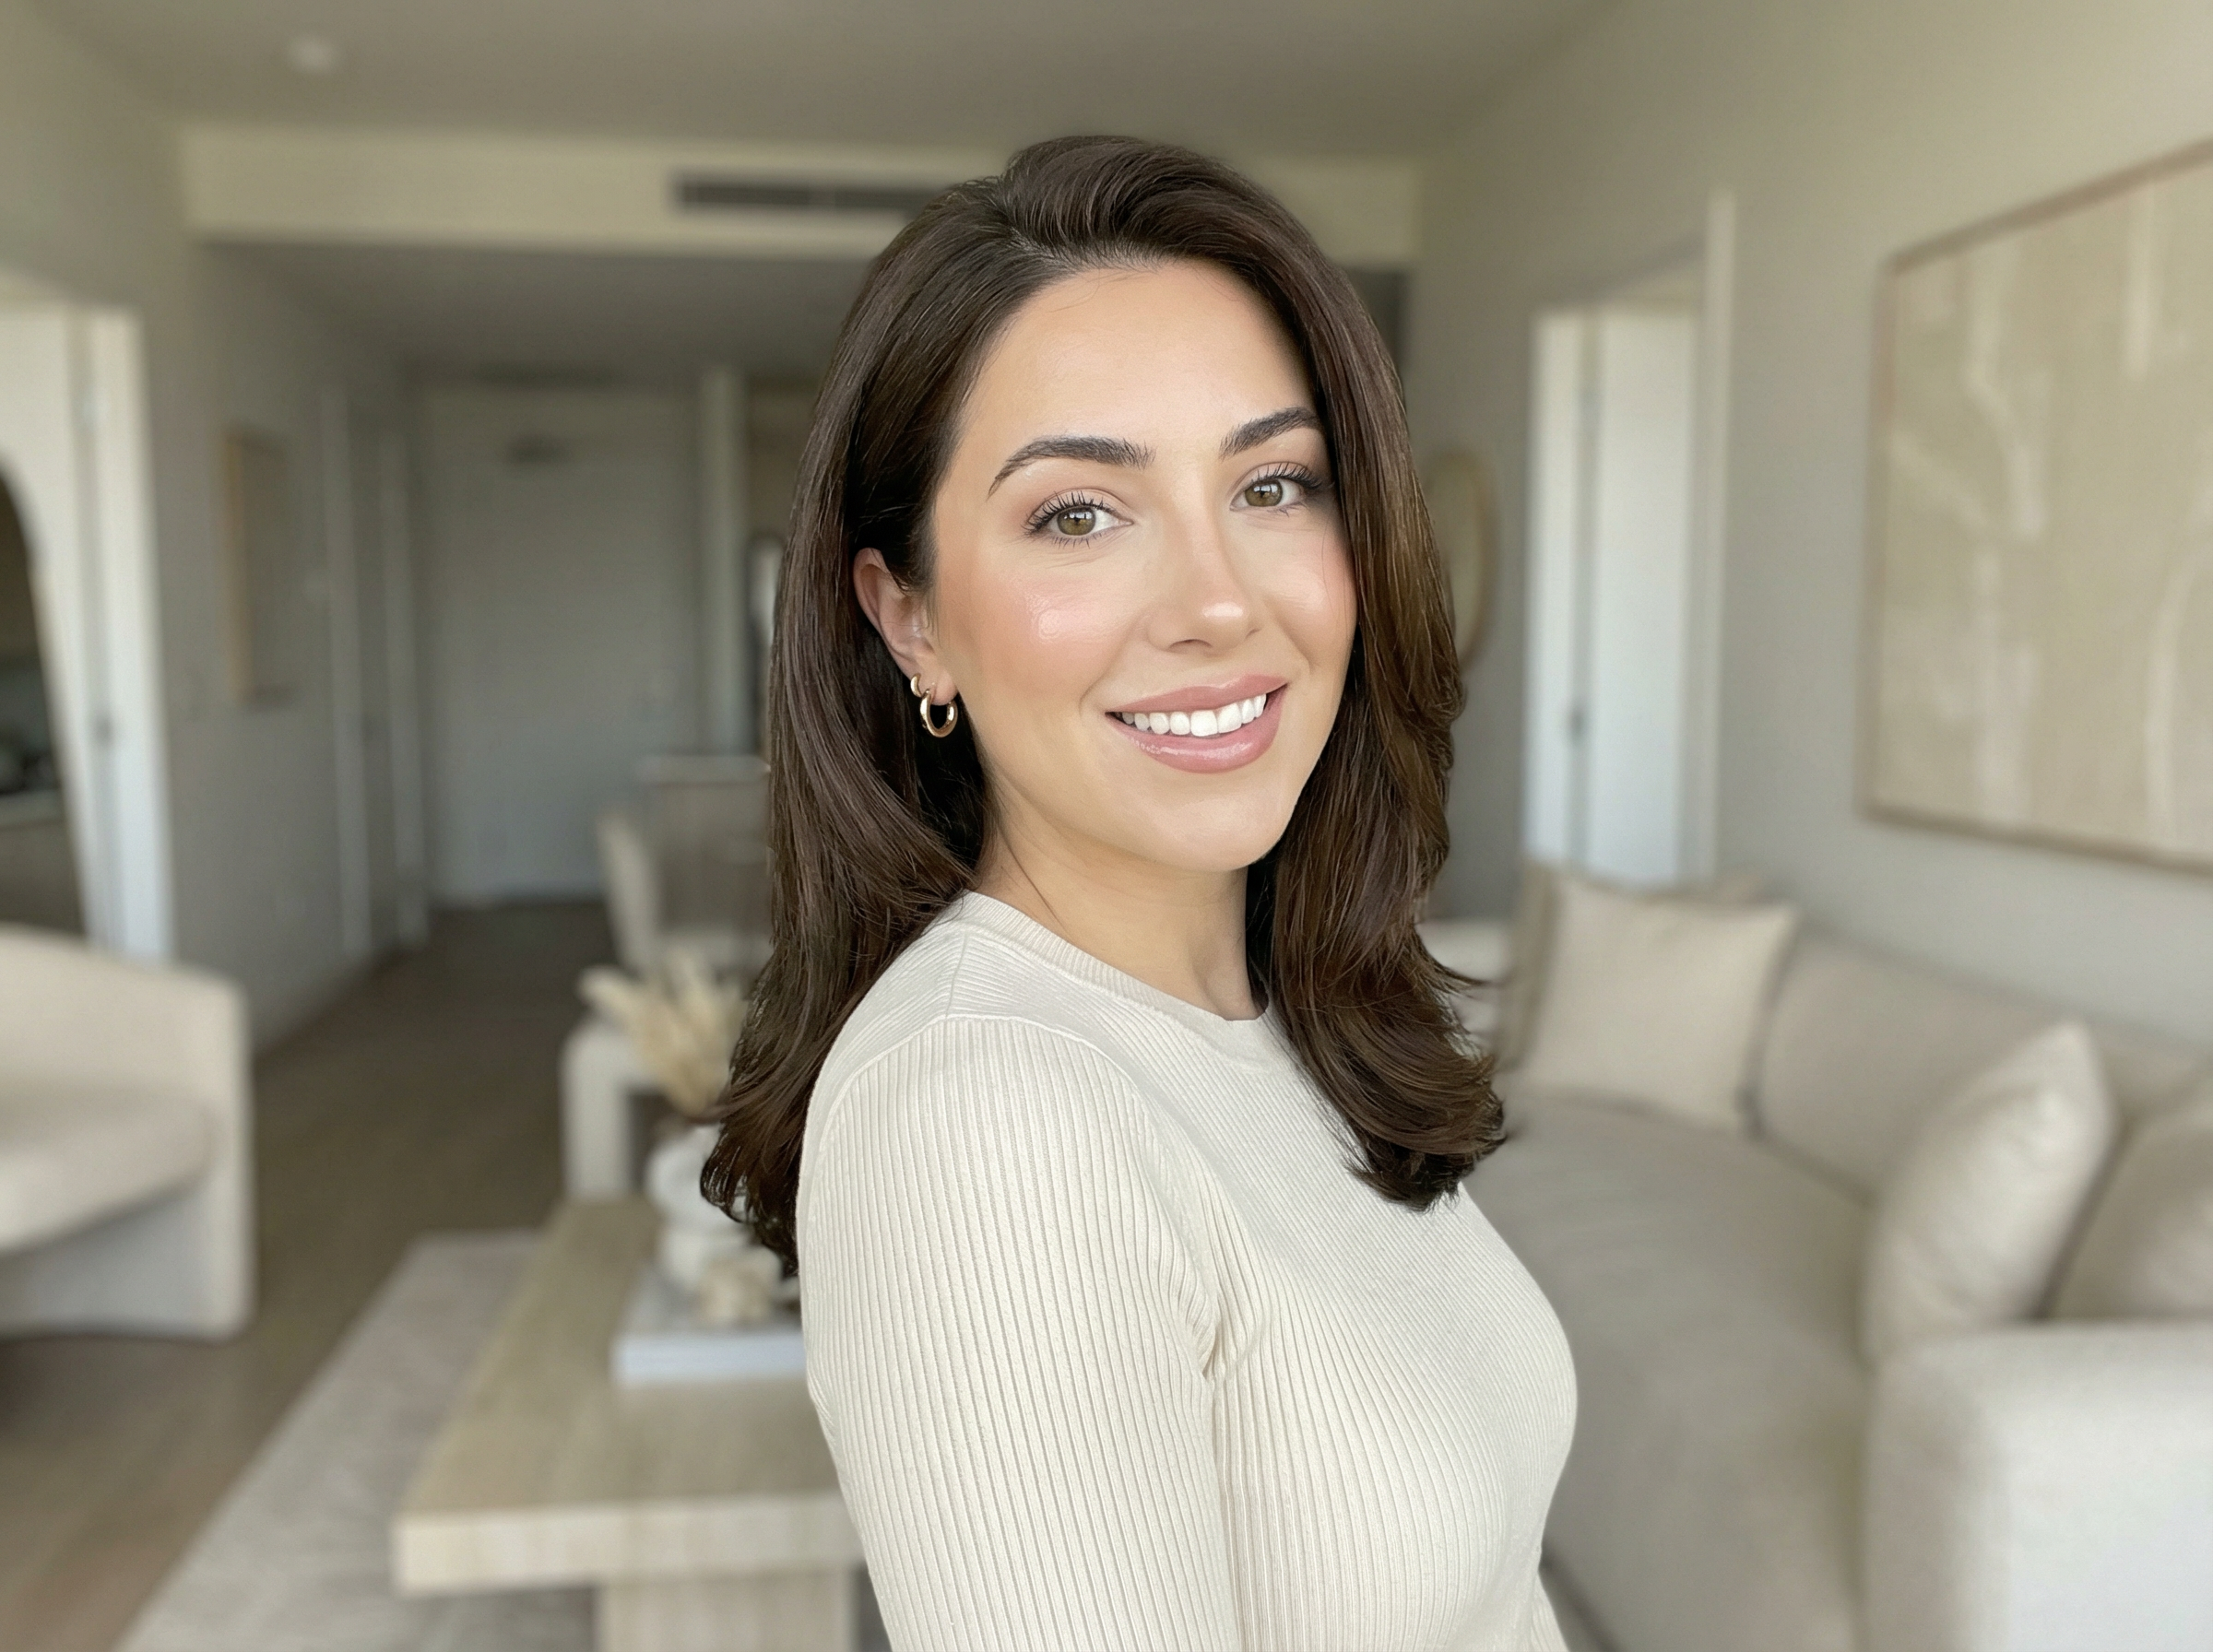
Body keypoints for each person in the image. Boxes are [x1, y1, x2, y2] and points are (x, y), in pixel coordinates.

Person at [705, 135, 1576, 1651]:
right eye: (1079, 513)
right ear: (908, 619)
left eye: (1275, 484)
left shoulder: (1280, 1017)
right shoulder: (989, 1113)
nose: (1219, 601)